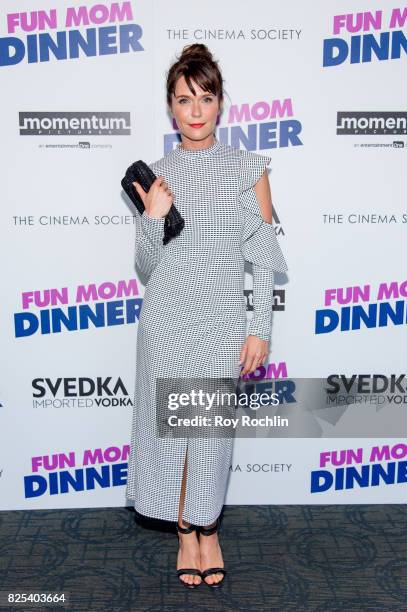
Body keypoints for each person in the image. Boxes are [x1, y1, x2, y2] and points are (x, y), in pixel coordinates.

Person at [125, 43, 288, 589]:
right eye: (183, 99)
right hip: (167, 324)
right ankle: (184, 535)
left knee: (211, 437)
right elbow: (146, 267)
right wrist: (153, 216)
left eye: (205, 97)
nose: (195, 110)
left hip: (221, 322)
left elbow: (262, 258)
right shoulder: (157, 175)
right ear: (170, 109)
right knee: (172, 436)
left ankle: (209, 529)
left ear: (221, 104)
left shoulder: (249, 169)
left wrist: (258, 328)